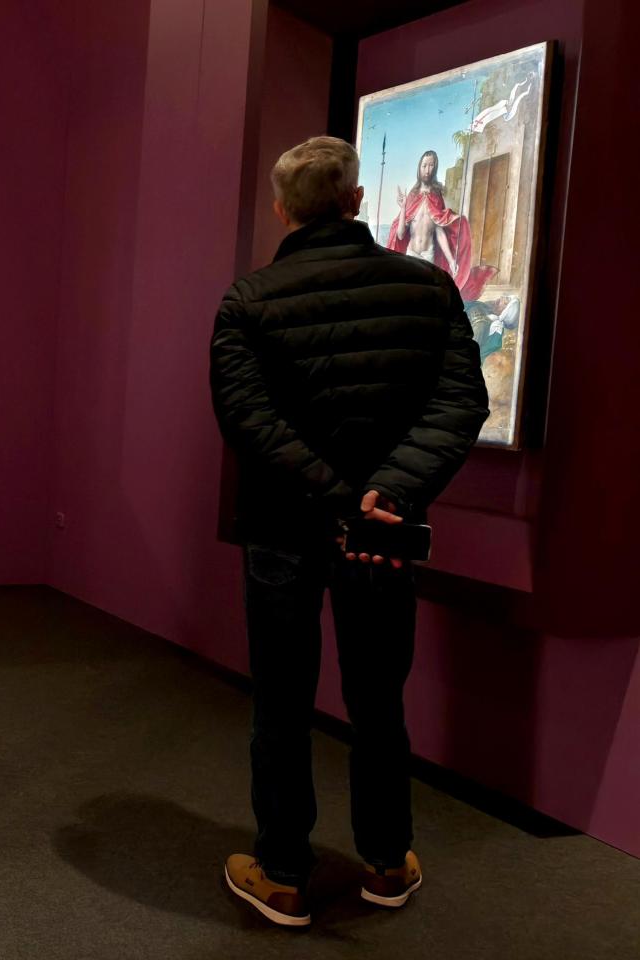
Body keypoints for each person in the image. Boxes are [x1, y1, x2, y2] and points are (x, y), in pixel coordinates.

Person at [210, 137, 488, 926]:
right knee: (378, 699)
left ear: (282, 209)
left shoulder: (248, 301)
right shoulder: (428, 291)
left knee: (282, 703)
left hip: (284, 529)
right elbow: (460, 403)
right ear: (358, 202)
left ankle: (284, 871)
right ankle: (387, 861)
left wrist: (332, 492)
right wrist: (384, 493)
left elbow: (248, 421)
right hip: (382, 533)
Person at [385, 149, 496, 301]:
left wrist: (451, 260)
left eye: (431, 165)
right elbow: (400, 235)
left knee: (424, 296)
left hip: (428, 255)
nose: (427, 170)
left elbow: (440, 230)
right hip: (411, 253)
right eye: (424, 165)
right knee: (409, 295)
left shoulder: (436, 196)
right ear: (419, 167)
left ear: (435, 168)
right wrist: (403, 207)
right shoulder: (412, 195)